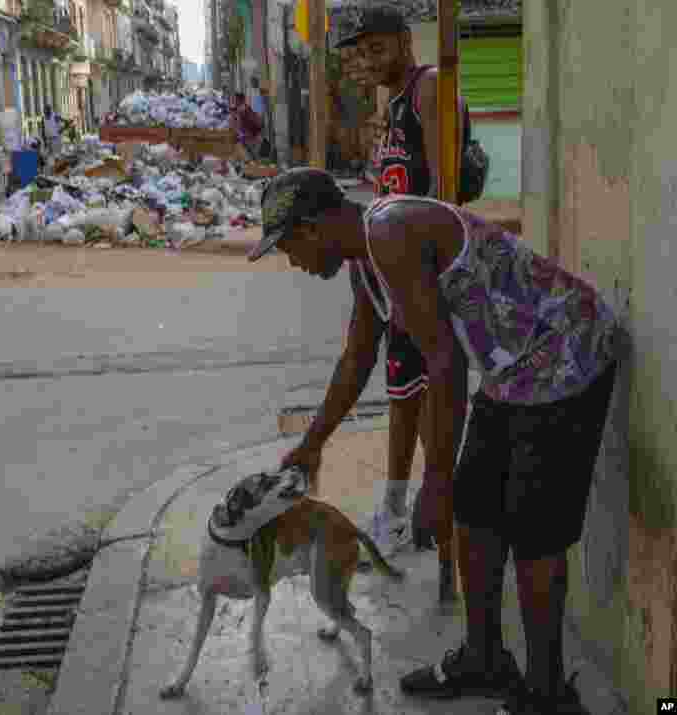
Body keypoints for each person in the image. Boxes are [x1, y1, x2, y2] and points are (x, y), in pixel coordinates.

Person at [252, 167, 624, 715]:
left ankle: (548, 696)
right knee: (476, 511)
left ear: (313, 227)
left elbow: (444, 361)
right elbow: (357, 360)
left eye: (288, 247)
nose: (294, 262)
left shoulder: (390, 232)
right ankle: (484, 656)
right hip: (511, 373)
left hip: (566, 355)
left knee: (533, 530)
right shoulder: (367, 264)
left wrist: (435, 480)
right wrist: (313, 443)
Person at [333, 3, 467, 558]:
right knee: (400, 387)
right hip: (391, 269)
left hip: (419, 269)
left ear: (405, 41)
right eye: (360, 50)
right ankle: (394, 505)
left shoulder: (428, 88)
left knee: (428, 385)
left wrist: (432, 271)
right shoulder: (389, 103)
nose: (368, 58)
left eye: (377, 47)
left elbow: (443, 188)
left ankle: (419, 505)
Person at [229, 92, 263, 159]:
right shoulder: (243, 109)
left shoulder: (243, 109)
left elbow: (247, 123)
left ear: (239, 100)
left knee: (251, 158)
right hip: (247, 138)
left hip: (249, 138)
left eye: (234, 99)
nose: (233, 101)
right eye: (233, 99)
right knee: (250, 158)